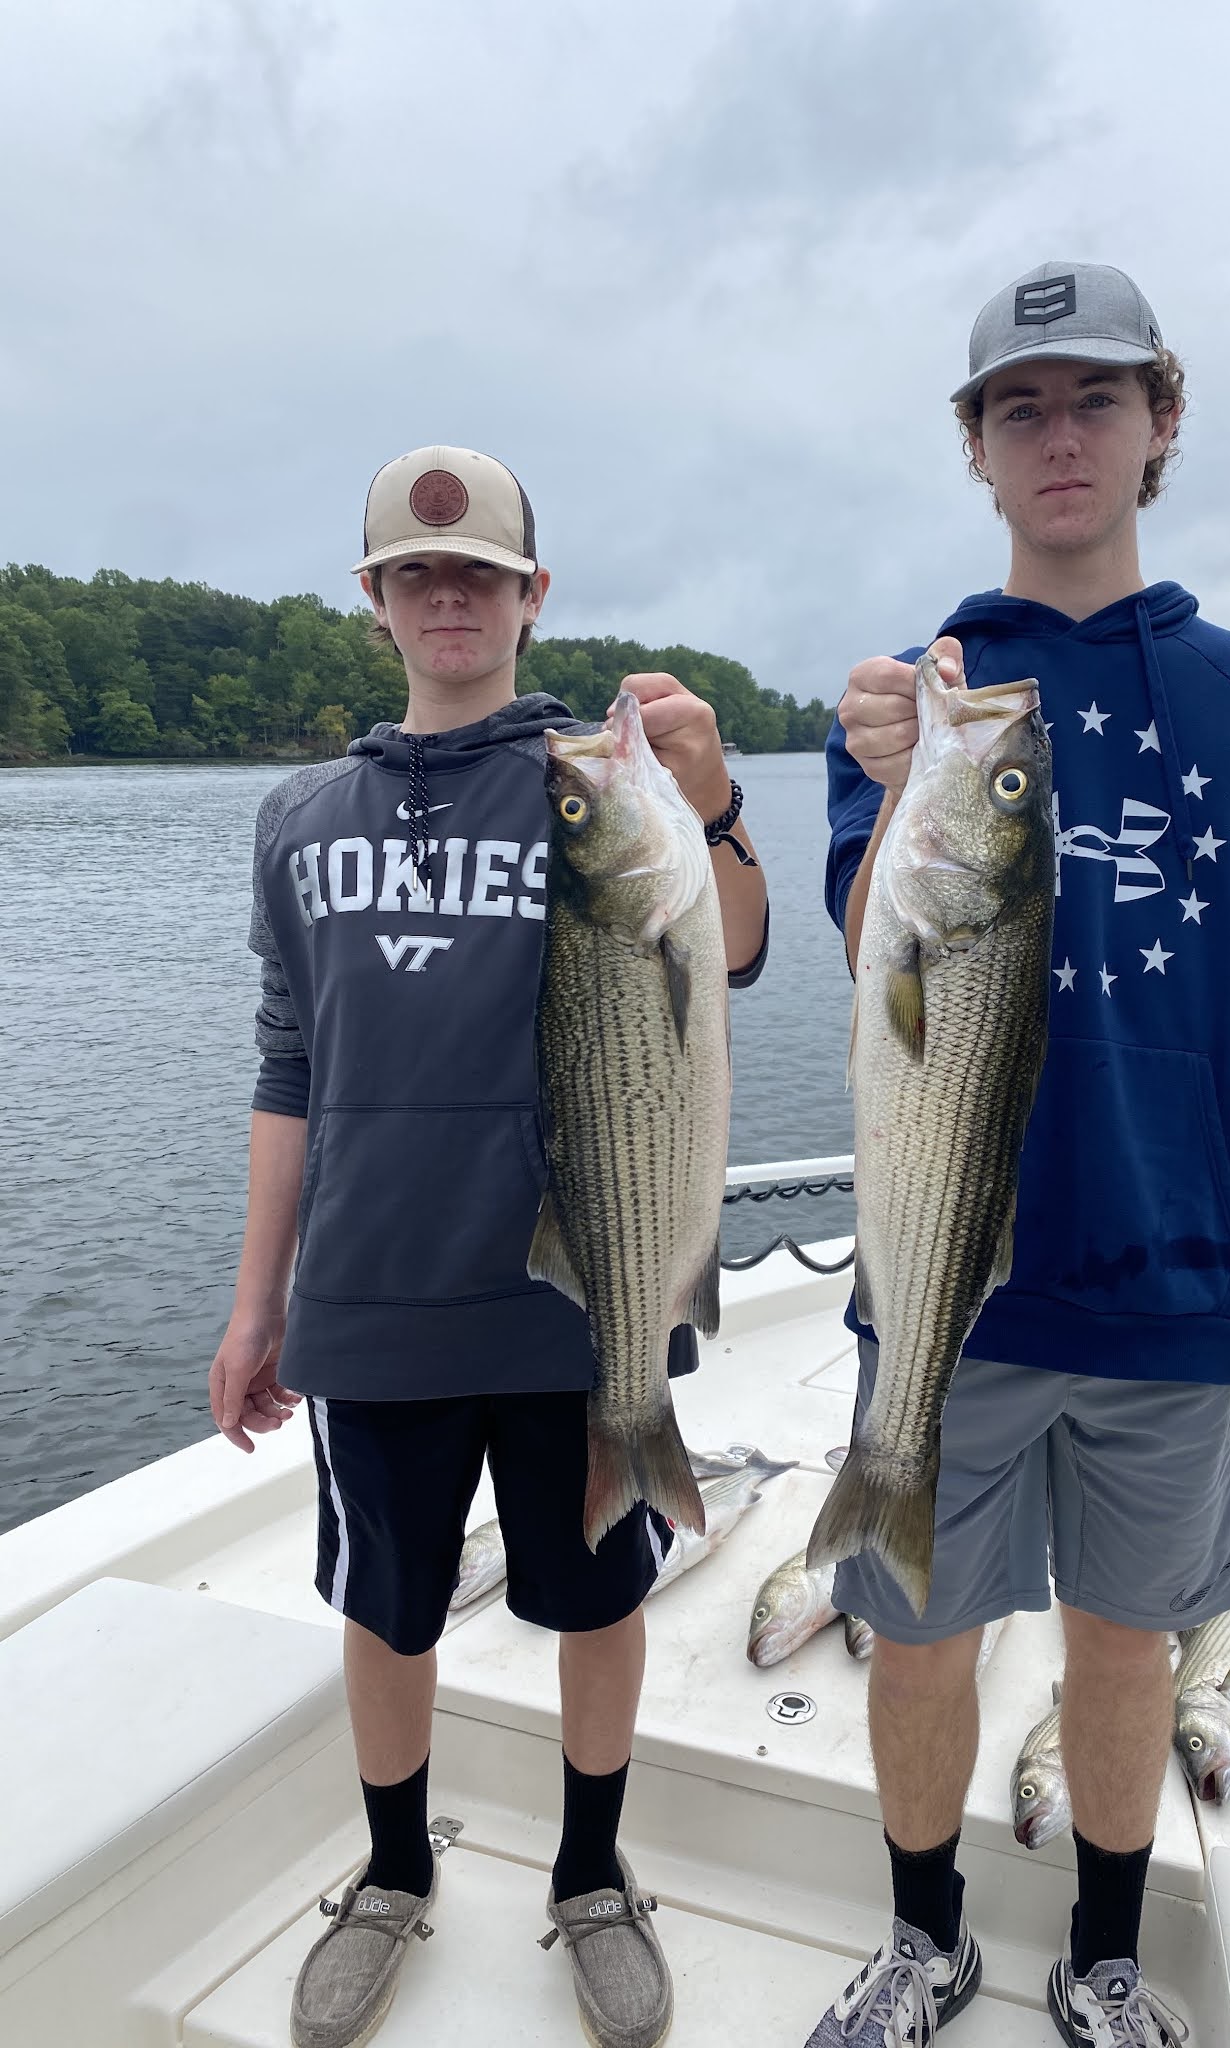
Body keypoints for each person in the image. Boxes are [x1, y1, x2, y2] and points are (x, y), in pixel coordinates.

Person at [807, 265, 1230, 2048]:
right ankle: (925, 1944)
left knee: (1127, 1645)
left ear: (1162, 423)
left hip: (1176, 1277)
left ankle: (1106, 1961)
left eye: (1096, 400)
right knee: (920, 1633)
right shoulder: (917, 698)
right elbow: (869, 951)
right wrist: (888, 774)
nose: (1059, 438)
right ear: (976, 450)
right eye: (1021, 408)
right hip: (948, 1285)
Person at [208, 445, 768, 2048]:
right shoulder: (299, 817)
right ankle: (394, 1873)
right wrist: (255, 1305)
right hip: (370, 1298)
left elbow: (729, 951)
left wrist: (715, 798)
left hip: (579, 1288)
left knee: (596, 1601)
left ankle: (592, 1876)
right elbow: (288, 1067)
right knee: (386, 1609)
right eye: (417, 574)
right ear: (375, 599)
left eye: (481, 575)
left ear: (533, 598)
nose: (448, 596)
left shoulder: (597, 782)